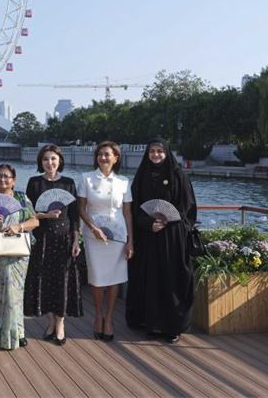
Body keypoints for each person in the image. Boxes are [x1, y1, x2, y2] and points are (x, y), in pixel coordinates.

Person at [126, 138, 197, 344]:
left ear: (167, 153)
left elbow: (187, 206)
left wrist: (167, 221)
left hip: (173, 238)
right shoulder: (141, 177)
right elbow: (136, 208)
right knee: (151, 280)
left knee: (171, 279)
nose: (155, 155)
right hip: (149, 237)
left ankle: (173, 326)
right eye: (152, 151)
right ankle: (153, 325)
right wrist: (149, 223)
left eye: (159, 151)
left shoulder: (178, 176)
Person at [24, 145, 83, 346]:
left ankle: (60, 324)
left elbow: (74, 215)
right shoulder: (34, 183)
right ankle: (50, 322)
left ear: (59, 161)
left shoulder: (68, 183)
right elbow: (28, 213)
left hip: (64, 238)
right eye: (46, 159)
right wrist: (45, 215)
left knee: (62, 280)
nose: (50, 163)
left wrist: (76, 240)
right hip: (42, 238)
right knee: (45, 280)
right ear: (41, 162)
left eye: (53, 159)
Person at [77, 141, 133, 342]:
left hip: (117, 234)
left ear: (116, 158)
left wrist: (130, 241)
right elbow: (81, 209)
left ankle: (109, 318)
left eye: (107, 154)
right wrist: (93, 228)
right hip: (93, 234)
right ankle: (98, 316)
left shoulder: (124, 182)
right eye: (100, 154)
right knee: (98, 278)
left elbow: (127, 214)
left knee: (115, 277)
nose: (103, 158)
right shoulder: (86, 178)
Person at [0, 163, 38, 349]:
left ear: (14, 180)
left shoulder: (21, 198)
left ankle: (17, 333)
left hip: (18, 255)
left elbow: (34, 221)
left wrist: (17, 226)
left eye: (7, 176)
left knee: (16, 295)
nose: (2, 179)